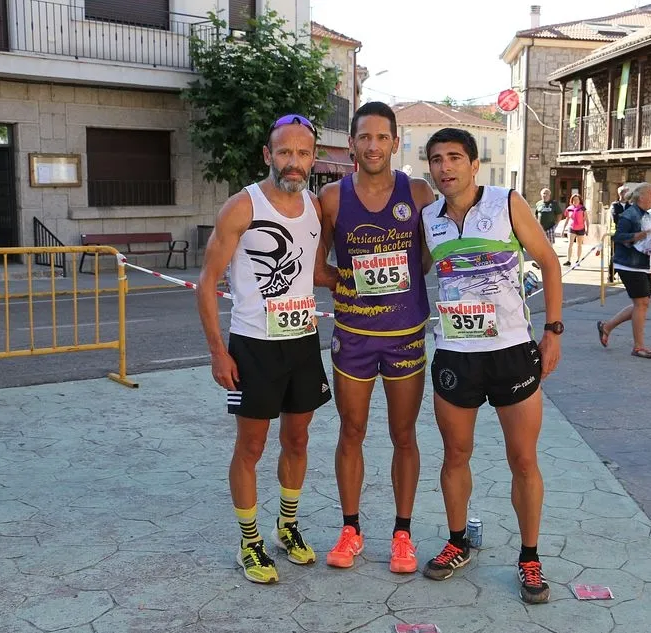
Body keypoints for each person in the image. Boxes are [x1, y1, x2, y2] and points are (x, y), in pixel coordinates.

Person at [420, 128, 563, 604]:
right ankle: (457, 541)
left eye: (454, 157)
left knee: (522, 459)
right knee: (455, 455)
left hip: (511, 351)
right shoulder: (428, 218)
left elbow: (548, 262)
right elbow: (414, 273)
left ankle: (529, 556)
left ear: (474, 164)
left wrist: (554, 330)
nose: (445, 167)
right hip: (455, 354)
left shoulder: (506, 202)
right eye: (436, 159)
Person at [196, 114, 332, 584]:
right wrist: (218, 352)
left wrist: (369, 283)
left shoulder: (315, 206)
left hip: (303, 342)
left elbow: (317, 272)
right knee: (251, 445)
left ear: (313, 158)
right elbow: (206, 283)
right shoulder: (241, 207)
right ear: (267, 155)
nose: (293, 161)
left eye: (302, 153)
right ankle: (249, 542)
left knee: (297, 440)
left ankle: (286, 527)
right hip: (253, 346)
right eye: (284, 152)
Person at [314, 102, 436, 573]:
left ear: (395, 142)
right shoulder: (331, 197)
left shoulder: (418, 193)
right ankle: (351, 529)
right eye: (365, 137)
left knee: (403, 434)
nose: (373, 146)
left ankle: (403, 534)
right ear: (351, 143)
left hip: (405, 334)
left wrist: (400, 278)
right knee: (352, 431)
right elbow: (315, 262)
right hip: (354, 335)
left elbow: (428, 256)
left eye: (382, 137)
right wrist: (342, 280)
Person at [597, 181, 651, 359]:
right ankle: (638, 347)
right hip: (630, 265)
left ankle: (606, 327)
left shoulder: (647, 214)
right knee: (641, 304)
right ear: (641, 197)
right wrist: (639, 235)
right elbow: (618, 237)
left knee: (643, 304)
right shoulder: (629, 214)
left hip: (643, 265)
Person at [608, 185, 630, 283]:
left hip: (628, 235)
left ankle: (624, 275)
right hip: (617, 234)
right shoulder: (615, 205)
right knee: (615, 255)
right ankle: (611, 275)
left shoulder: (630, 206)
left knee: (627, 255)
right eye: (625, 192)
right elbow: (615, 218)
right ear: (620, 194)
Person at [563, 193, 588, 266]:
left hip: (581, 228)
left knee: (579, 245)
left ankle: (578, 260)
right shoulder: (569, 209)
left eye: (577, 199)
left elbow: (586, 219)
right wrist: (563, 229)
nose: (575, 201)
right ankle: (568, 260)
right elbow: (567, 219)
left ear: (580, 200)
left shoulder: (583, 208)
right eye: (574, 200)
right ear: (572, 200)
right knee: (570, 244)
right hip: (572, 228)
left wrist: (587, 229)